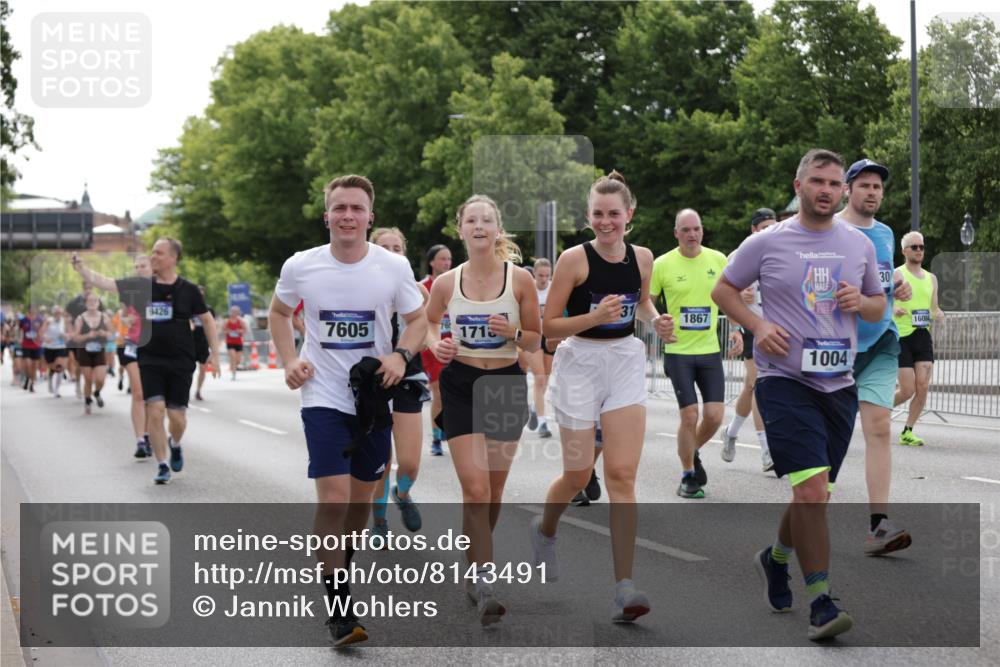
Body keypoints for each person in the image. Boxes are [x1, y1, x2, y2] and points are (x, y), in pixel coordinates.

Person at [713, 148, 886, 641]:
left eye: (833, 183)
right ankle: (822, 601)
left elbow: (878, 306)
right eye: (817, 181)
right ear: (798, 186)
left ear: (842, 189)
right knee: (810, 491)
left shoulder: (858, 244)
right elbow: (723, 290)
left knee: (817, 494)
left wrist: (862, 301)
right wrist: (757, 325)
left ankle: (776, 558)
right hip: (783, 381)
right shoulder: (768, 242)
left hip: (839, 384)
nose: (826, 190)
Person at [268, 175, 427, 646]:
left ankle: (338, 563)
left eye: (357, 208)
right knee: (334, 499)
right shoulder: (301, 266)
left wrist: (400, 355)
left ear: (370, 217)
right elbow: (279, 313)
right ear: (327, 216)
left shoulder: (392, 267)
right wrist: (290, 360)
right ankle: (339, 608)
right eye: (340, 208)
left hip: (373, 396)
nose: (348, 216)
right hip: (323, 394)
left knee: (359, 505)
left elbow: (417, 320)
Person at [531, 171, 675, 623]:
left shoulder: (644, 257)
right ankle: (545, 530)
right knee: (577, 474)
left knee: (622, 474)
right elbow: (549, 327)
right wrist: (593, 317)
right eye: (598, 214)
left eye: (614, 214)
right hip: (579, 364)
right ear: (588, 216)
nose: (605, 222)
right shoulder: (574, 259)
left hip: (625, 361)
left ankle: (624, 589)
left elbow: (642, 302)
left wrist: (656, 320)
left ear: (629, 214)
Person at [425, 194, 540, 625]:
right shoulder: (446, 283)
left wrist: (513, 332)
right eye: (471, 220)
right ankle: (485, 579)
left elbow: (535, 340)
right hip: (461, 385)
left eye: (486, 220)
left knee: (492, 492)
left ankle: (474, 558)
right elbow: (428, 322)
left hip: (505, 384)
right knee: (474, 490)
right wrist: (437, 344)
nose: (478, 226)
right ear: (461, 230)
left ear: (497, 229)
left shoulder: (520, 280)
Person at [74, 243, 220, 480]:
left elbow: (207, 320)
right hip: (150, 358)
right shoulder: (140, 287)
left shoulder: (189, 290)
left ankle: (175, 443)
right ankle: (162, 465)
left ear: (173, 257)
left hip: (181, 360)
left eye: (159, 253)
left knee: (177, 417)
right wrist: (82, 270)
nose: (154, 256)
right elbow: (106, 283)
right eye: (152, 252)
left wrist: (215, 354)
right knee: (155, 409)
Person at [840, 158, 914, 556]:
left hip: (882, 341)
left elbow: (883, 277)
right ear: (848, 189)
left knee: (880, 428)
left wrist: (897, 285)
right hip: (836, 348)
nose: (872, 192)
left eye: (878, 186)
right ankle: (805, 517)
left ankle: (878, 525)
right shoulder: (830, 230)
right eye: (865, 185)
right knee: (830, 440)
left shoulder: (885, 233)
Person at [649, 208, 733, 499]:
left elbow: (730, 297)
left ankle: (691, 450)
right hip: (678, 351)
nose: (692, 234)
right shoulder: (662, 264)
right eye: (685, 230)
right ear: (676, 233)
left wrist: (735, 329)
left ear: (702, 230)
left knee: (715, 416)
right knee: (689, 415)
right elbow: (646, 302)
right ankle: (687, 475)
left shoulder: (718, 260)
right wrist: (656, 322)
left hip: (710, 351)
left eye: (696, 228)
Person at [368, 227, 429, 541]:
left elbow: (427, 331)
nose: (391, 253)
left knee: (409, 463)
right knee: (380, 460)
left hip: (407, 376)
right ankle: (379, 521)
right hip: (372, 380)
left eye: (397, 248)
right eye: (384, 247)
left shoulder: (416, 291)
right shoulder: (360, 286)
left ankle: (402, 494)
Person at [722, 208, 777, 471]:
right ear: (753, 230)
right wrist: (737, 309)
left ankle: (731, 431)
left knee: (750, 387)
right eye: (764, 228)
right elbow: (722, 295)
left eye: (773, 227)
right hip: (751, 326)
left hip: (777, 328)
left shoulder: (783, 252)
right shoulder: (740, 255)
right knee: (758, 385)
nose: (769, 232)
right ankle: (767, 451)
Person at [893, 231, 944, 446]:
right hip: (901, 336)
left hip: (922, 335)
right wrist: (893, 309)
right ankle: (876, 409)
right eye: (914, 247)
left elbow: (933, 308)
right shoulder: (897, 274)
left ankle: (908, 431)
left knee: (922, 386)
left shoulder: (932, 278)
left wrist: (938, 314)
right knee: (907, 390)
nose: (919, 250)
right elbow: (882, 302)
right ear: (904, 251)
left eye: (921, 247)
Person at [421, 243, 453, 455]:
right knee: (439, 393)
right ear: (432, 262)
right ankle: (436, 439)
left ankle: (451, 430)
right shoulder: (424, 286)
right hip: (433, 347)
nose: (447, 262)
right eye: (442, 258)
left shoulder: (456, 284)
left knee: (455, 394)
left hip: (455, 345)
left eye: (449, 259)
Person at [72, 293, 111, 414]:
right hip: (84, 351)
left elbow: (112, 333)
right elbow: (75, 338)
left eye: (95, 300)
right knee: (88, 379)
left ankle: (97, 392)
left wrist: (104, 334)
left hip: (100, 350)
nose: (92, 303)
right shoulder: (80, 318)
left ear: (98, 303)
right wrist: (88, 335)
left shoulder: (104, 317)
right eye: (89, 301)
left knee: (100, 379)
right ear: (86, 303)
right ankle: (87, 400)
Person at [42, 305, 70, 397]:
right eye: (56, 313)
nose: (58, 314)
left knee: (60, 366)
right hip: (49, 347)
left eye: (59, 313)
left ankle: (57, 390)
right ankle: (50, 379)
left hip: (61, 346)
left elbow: (69, 332)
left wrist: (66, 336)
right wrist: (46, 338)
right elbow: (42, 332)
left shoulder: (64, 321)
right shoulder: (48, 321)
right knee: (53, 368)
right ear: (53, 313)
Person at [192, 286, 215, 400]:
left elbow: (213, 327)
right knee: (188, 369)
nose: (200, 296)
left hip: (203, 342)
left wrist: (213, 347)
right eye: (198, 294)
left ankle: (198, 390)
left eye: (202, 294)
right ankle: (185, 390)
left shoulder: (208, 309)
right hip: (189, 342)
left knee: (203, 368)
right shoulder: (188, 307)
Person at [17, 305, 44, 392]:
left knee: (34, 366)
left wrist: (41, 337)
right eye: (31, 309)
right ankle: (28, 378)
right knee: (28, 364)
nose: (33, 310)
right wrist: (19, 338)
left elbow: (43, 330)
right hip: (26, 345)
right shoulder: (24, 320)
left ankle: (32, 383)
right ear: (29, 310)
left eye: (34, 309)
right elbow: (19, 330)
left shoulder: (39, 320)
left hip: (36, 346)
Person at [224, 306, 246, 381]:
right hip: (230, 342)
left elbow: (245, 330)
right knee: (233, 357)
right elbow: (223, 330)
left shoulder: (241, 321)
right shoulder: (227, 321)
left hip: (238, 342)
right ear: (231, 312)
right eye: (233, 311)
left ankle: (233, 367)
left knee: (238, 360)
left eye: (236, 312)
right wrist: (228, 331)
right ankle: (233, 374)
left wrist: (239, 331)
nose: (235, 313)